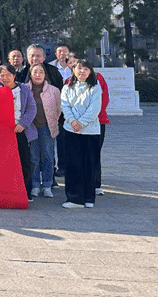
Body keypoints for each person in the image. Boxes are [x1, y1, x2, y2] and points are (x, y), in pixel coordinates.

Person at [60, 59, 102, 209]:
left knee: (89, 164)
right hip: (71, 130)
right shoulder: (66, 88)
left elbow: (94, 109)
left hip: (90, 131)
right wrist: (73, 122)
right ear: (73, 70)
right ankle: (74, 198)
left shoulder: (95, 88)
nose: (82, 71)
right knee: (73, 164)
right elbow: (64, 106)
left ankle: (89, 198)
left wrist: (81, 123)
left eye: (86, 69)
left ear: (90, 72)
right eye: (79, 68)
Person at [0, 63, 37, 202]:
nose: (5, 78)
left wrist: (22, 124)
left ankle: (26, 191)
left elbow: (32, 108)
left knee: (24, 161)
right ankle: (6, 190)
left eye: (8, 75)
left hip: (20, 130)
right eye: (2, 75)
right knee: (4, 161)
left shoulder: (24, 89)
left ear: (14, 76)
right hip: (3, 132)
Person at [27, 63, 61, 198]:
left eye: (41, 72)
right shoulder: (25, 89)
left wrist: (52, 121)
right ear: (30, 74)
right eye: (35, 72)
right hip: (31, 128)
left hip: (47, 127)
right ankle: (35, 185)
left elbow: (58, 109)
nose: (38, 75)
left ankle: (47, 185)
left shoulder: (54, 90)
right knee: (33, 156)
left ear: (45, 74)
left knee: (48, 156)